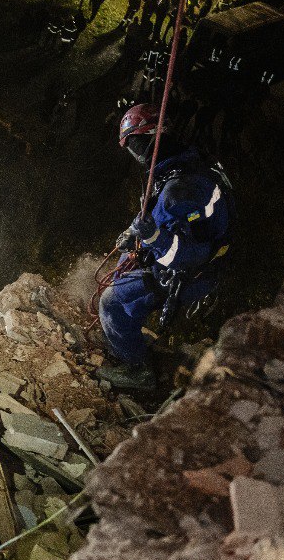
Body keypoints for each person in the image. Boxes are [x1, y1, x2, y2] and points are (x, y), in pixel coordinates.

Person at [97, 104, 234, 391]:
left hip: (193, 273)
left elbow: (186, 256)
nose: (134, 155)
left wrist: (154, 238)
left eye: (133, 146)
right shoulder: (185, 161)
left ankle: (139, 370)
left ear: (143, 143)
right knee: (124, 264)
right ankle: (131, 335)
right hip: (194, 255)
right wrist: (138, 235)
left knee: (110, 301)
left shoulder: (179, 191)